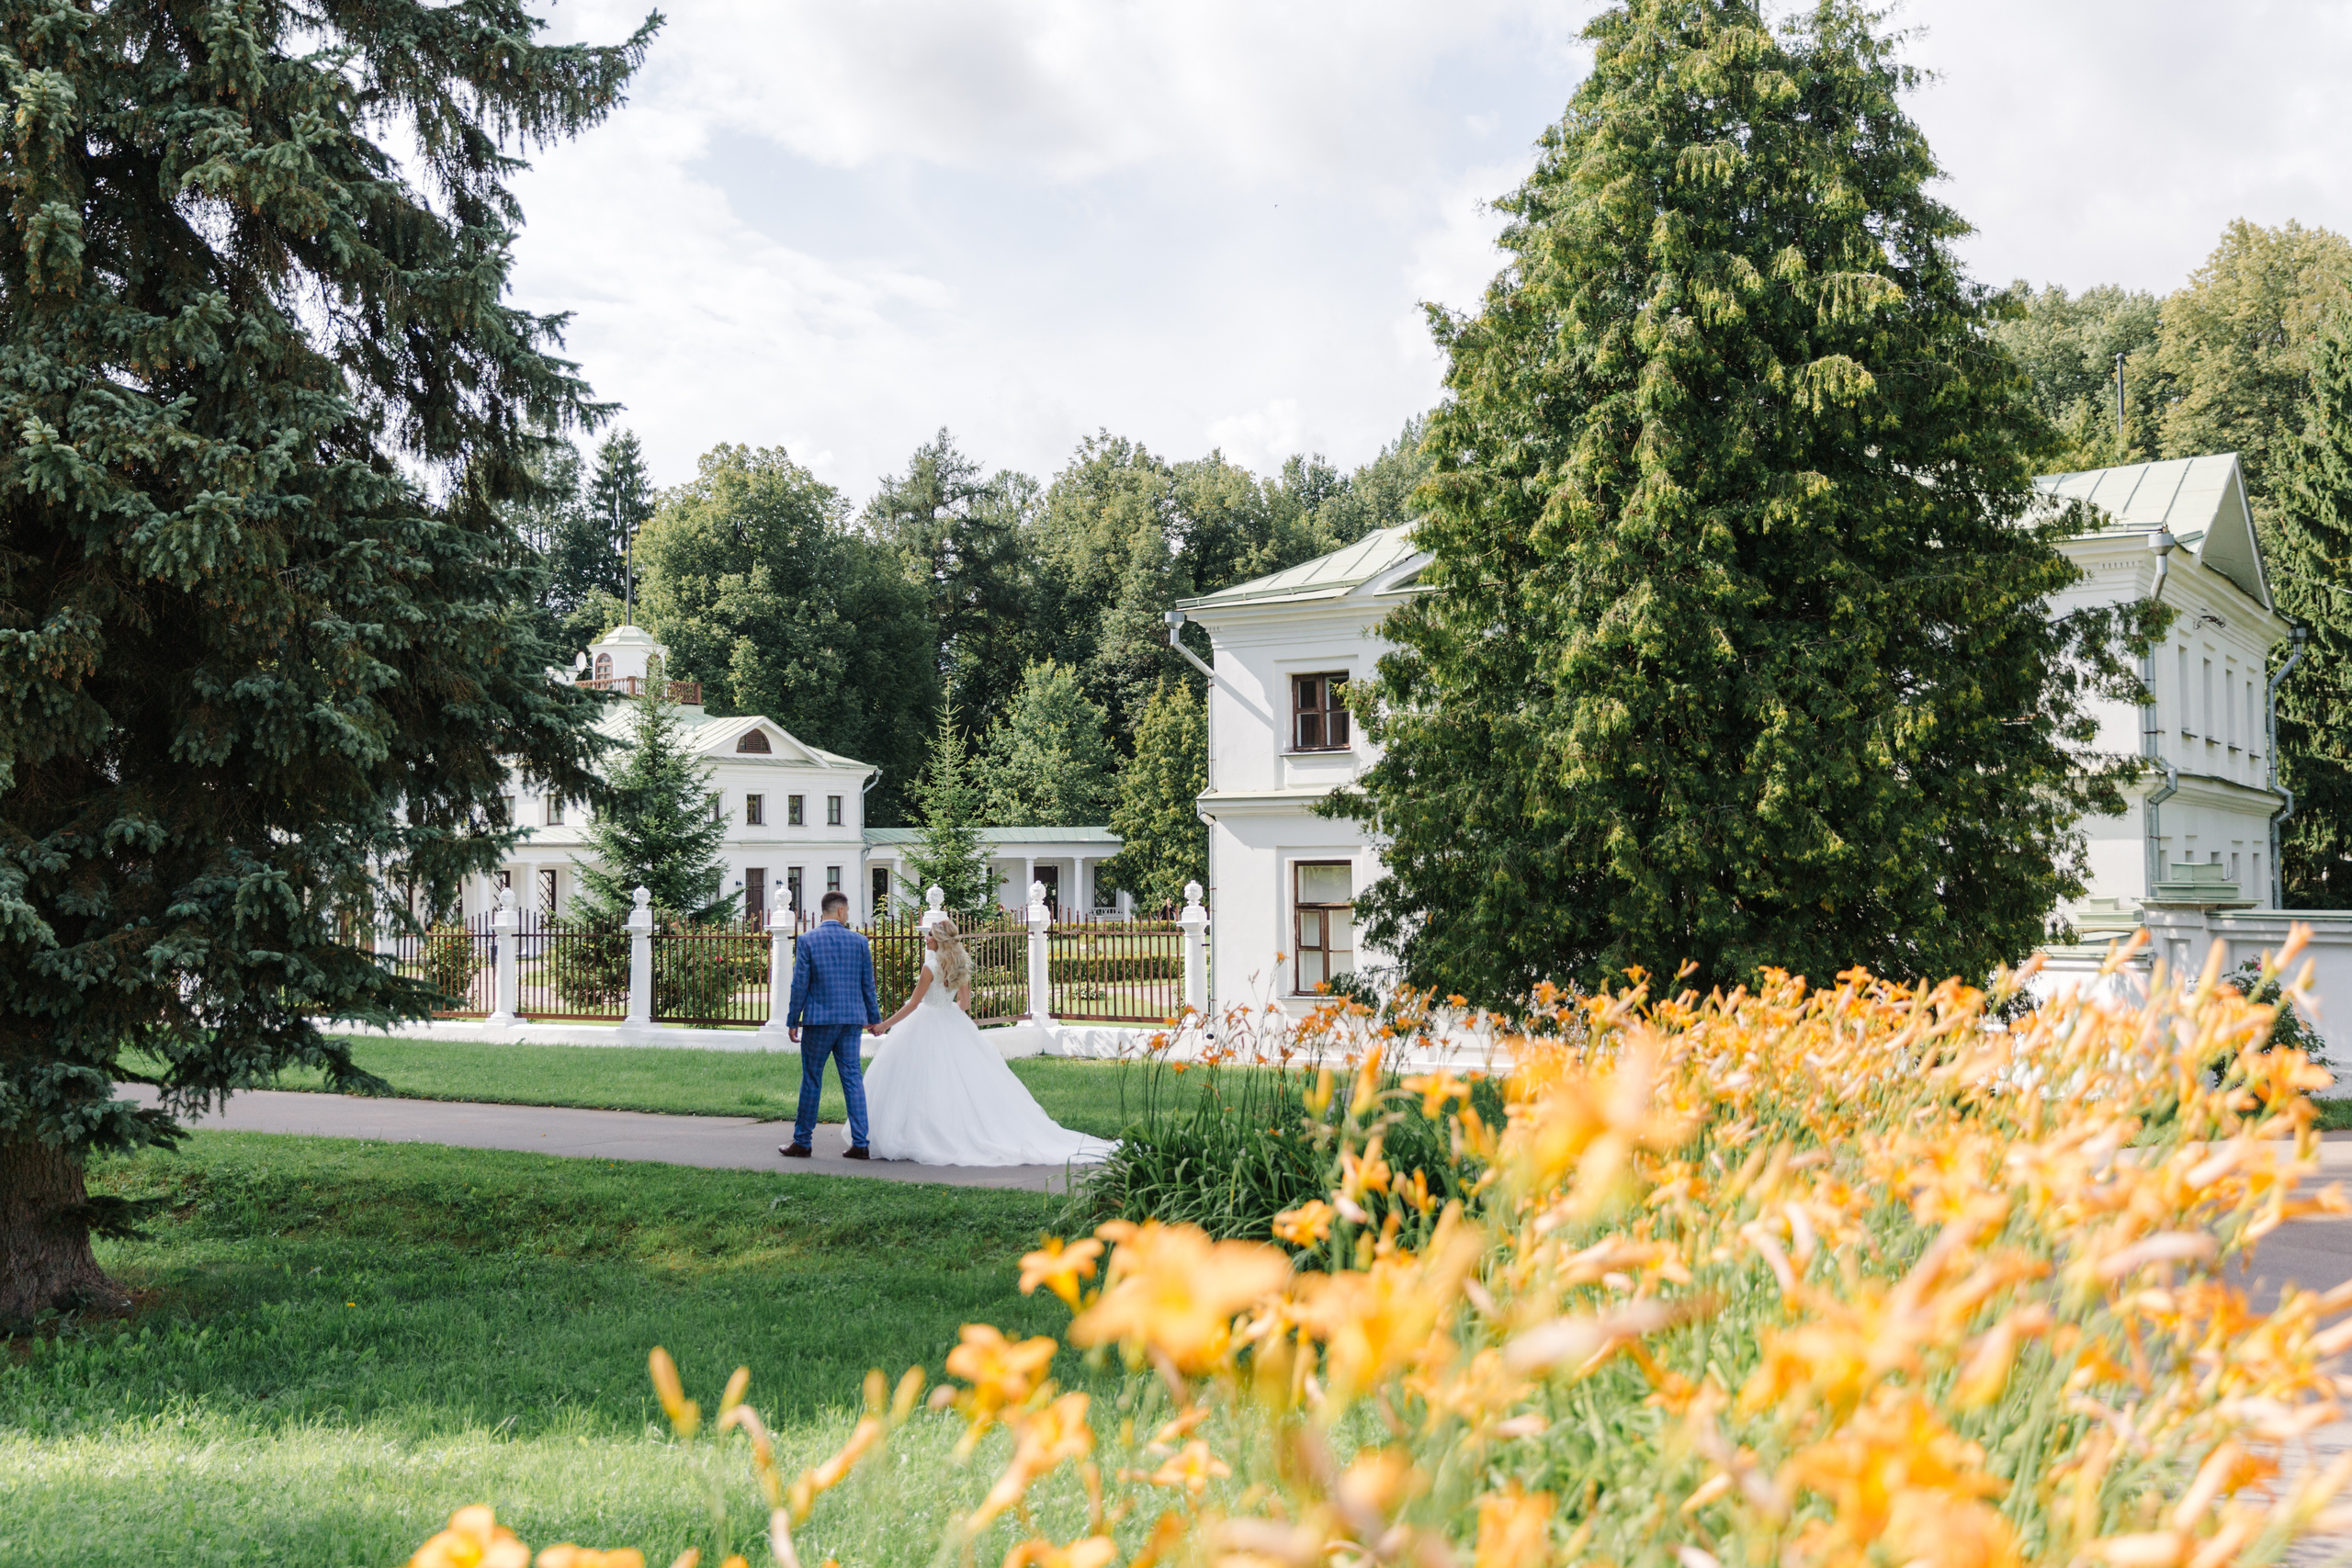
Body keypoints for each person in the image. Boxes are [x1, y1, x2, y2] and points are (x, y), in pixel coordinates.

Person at [861, 910, 1116, 1167]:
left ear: (938, 939)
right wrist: (946, 1014)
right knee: (954, 1080)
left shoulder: (930, 967)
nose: (925, 938)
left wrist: (884, 1025)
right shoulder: (960, 964)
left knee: (920, 1078)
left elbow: (914, 1004)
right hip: (950, 1021)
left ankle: (921, 1131)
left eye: (928, 935)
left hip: (926, 1021)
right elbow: (964, 1004)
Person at [780, 889, 881, 1161]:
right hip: (851, 1019)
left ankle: (802, 1141)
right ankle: (861, 1143)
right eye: (847, 912)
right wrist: (874, 1019)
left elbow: (800, 983)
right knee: (852, 1079)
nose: (847, 916)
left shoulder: (808, 940)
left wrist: (793, 1020)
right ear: (839, 911)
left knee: (812, 1079)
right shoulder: (859, 942)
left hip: (819, 1020)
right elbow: (867, 985)